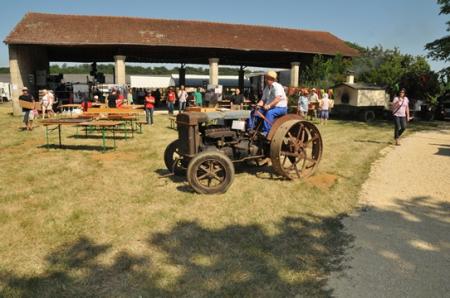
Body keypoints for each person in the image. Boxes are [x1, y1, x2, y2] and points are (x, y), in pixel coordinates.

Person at [251, 71, 288, 135]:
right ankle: (251, 128)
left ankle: (266, 132)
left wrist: (268, 106)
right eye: (266, 78)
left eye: (268, 78)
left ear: (273, 79)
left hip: (281, 108)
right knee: (255, 112)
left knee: (270, 113)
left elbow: (277, 99)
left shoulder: (277, 86)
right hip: (272, 107)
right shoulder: (266, 88)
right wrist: (258, 105)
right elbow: (263, 100)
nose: (266, 80)